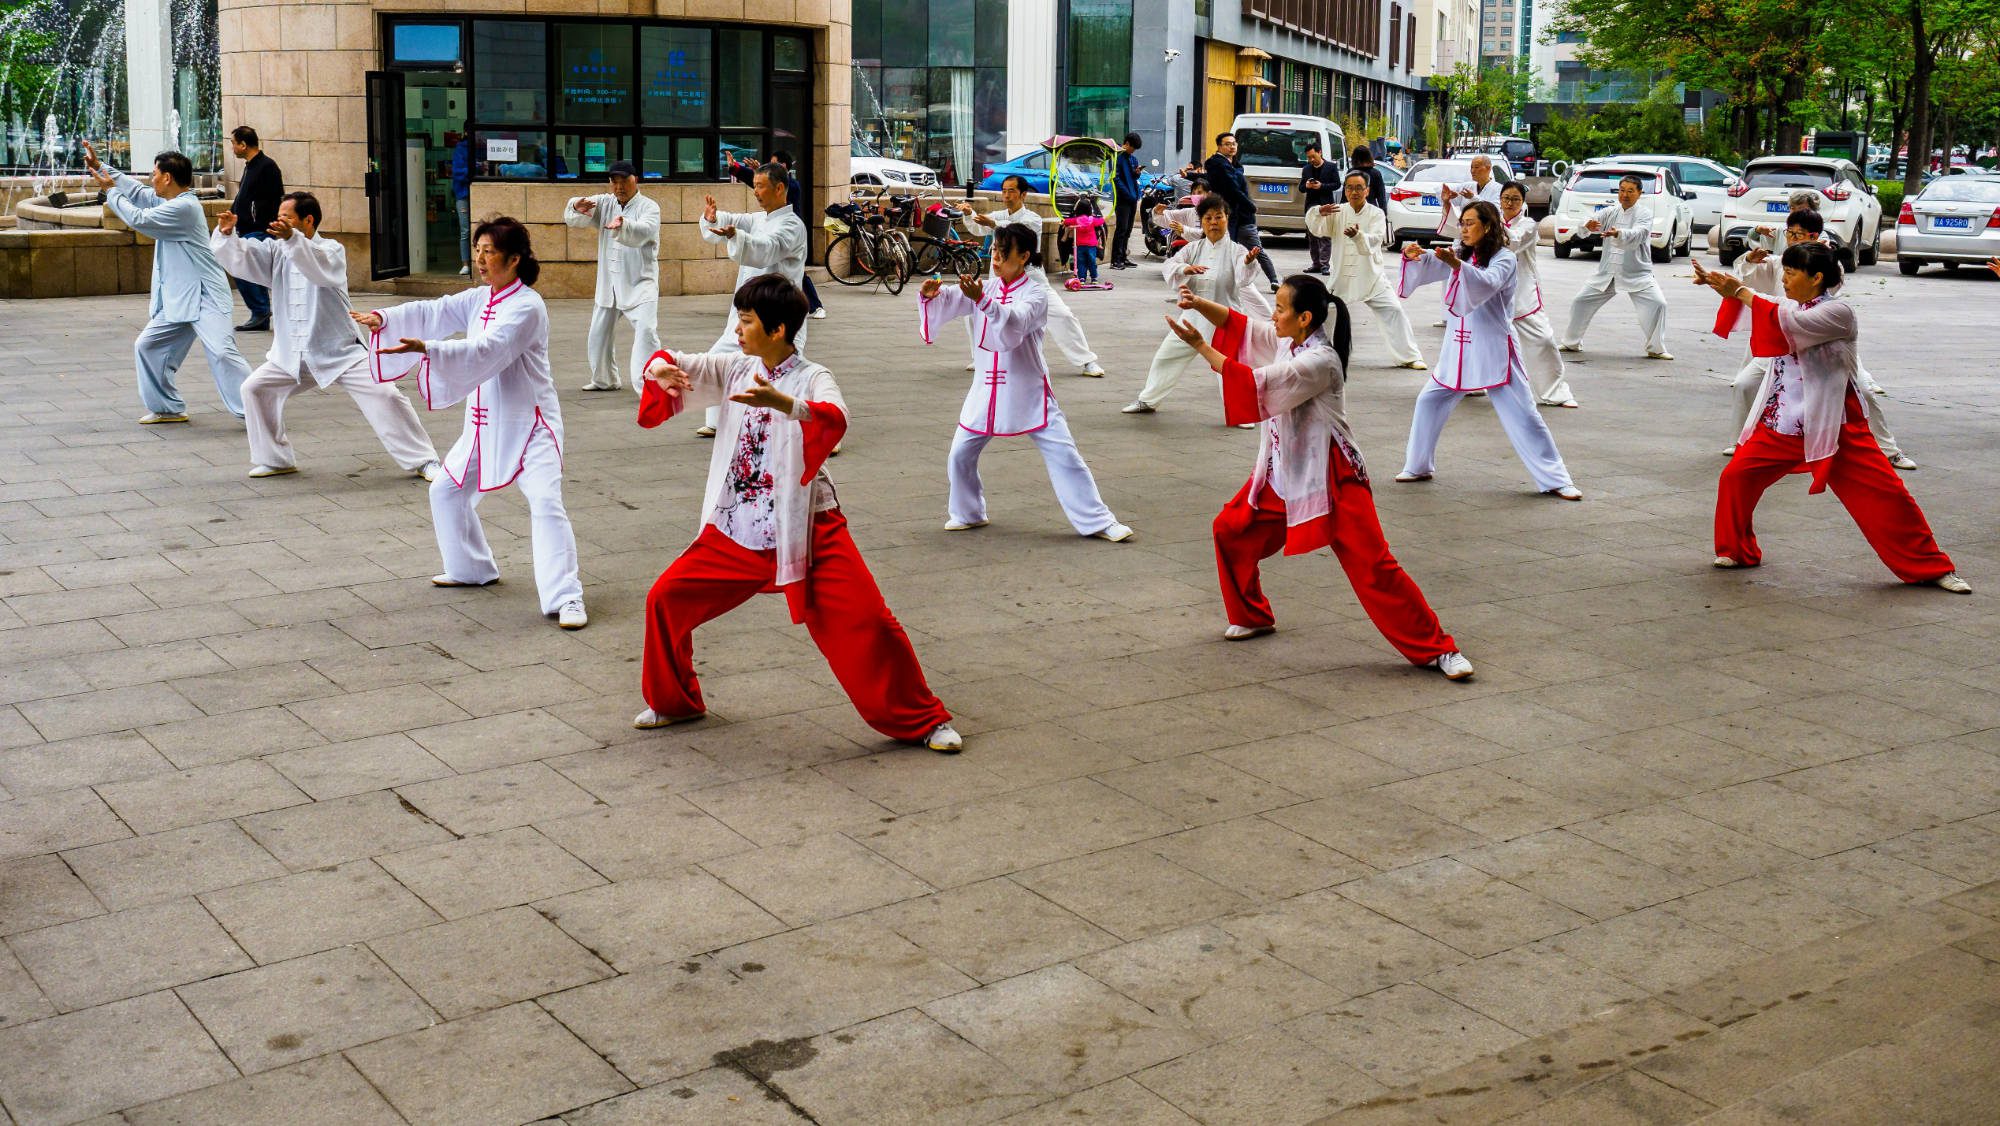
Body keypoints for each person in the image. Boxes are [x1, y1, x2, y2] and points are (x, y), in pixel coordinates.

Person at [634, 276, 962, 750]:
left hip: (808, 528)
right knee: (664, 599)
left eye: (746, 321)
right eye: (739, 318)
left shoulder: (813, 376)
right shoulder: (735, 368)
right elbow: (672, 361)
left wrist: (785, 403)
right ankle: (675, 702)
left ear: (778, 328)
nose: (738, 329)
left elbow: (835, 416)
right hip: (736, 528)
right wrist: (659, 372)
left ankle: (923, 720)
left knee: (870, 621)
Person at [1164, 273, 1474, 680]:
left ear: (1305, 317)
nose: (1272, 315)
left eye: (1280, 308)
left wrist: (1200, 346)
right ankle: (1253, 615)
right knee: (1231, 530)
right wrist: (1201, 306)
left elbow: (1255, 383)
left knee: (1374, 564)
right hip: (1283, 467)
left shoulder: (1319, 361)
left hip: (1333, 475)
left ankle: (1437, 649)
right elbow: (1243, 327)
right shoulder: (1289, 339)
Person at [354, 217, 588, 629]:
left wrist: (430, 348)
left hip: (531, 425)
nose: (480, 259)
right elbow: (437, 309)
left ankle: (566, 597)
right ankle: (472, 568)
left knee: (545, 503)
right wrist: (384, 318)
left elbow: (488, 348)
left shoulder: (527, 306)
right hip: (484, 423)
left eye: (489, 252)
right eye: (477, 249)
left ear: (514, 259)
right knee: (446, 489)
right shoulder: (481, 297)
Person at [1694, 247, 1968, 594]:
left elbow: (1786, 324)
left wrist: (1740, 292)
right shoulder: (1791, 305)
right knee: (1736, 477)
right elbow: (1770, 305)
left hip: (1835, 425)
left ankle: (1931, 567)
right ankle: (1737, 550)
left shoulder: (1839, 312)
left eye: (1791, 273)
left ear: (1817, 278)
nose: (1784, 279)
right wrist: (1727, 285)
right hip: (1784, 422)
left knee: (1887, 495)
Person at [918, 224, 1134, 542]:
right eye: (994, 251)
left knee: (1064, 455)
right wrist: (930, 296)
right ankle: (968, 512)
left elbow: (1014, 322)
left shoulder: (1036, 293)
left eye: (1003, 254)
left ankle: (1098, 520)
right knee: (960, 454)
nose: (996, 259)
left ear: (1024, 257)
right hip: (985, 391)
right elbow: (952, 297)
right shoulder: (986, 288)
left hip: (1027, 389)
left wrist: (982, 301)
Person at [213, 192, 439, 480]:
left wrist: (293, 241)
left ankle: (425, 461)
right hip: (291, 353)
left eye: (287, 218)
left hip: (339, 351)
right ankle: (275, 459)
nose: (279, 223)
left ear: (308, 220)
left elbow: (318, 270)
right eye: (279, 217)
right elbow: (244, 258)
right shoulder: (276, 251)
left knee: (385, 394)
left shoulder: (331, 250)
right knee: (255, 389)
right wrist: (227, 233)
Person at [1394, 201, 1584, 500]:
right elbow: (1433, 262)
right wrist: (1415, 255)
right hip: (1457, 348)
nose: (1464, 228)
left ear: (1488, 226)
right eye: (1463, 222)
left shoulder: (1504, 259)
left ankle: (1556, 478)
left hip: (1494, 347)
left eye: (1471, 223)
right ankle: (1418, 465)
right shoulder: (1462, 253)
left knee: (1523, 414)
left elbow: (1487, 283)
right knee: (1428, 401)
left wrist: (1456, 265)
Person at [1725, 210, 1913, 467]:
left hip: (1827, 351)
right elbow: (1757, 287)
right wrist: (1748, 260)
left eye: (1797, 234)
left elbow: (1807, 300)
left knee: (1865, 392)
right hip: (1786, 346)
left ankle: (1889, 451)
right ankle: (1742, 443)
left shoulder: (1827, 275)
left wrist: (1823, 258)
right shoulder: (1780, 262)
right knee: (1744, 384)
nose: (1786, 278)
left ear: (1813, 236)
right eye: (1788, 233)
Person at [82, 141, 251, 424]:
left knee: (223, 352)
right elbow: (136, 192)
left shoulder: (184, 208)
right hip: (179, 298)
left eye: (154, 174)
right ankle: (168, 408)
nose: (151, 179)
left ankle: (257, 409)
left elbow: (138, 218)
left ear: (167, 178)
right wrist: (101, 167)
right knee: (147, 346)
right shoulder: (169, 200)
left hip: (206, 296)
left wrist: (110, 190)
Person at [1125, 195, 1272, 415]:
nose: (1213, 222)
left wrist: (1248, 263)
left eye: (1218, 217)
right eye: (1208, 218)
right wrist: (1185, 270)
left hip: (1225, 317)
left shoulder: (1237, 250)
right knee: (1166, 356)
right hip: (1192, 317)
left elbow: (1243, 279)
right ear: (1201, 222)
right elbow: (1171, 266)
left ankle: (1242, 412)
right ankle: (1148, 400)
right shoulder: (1193, 249)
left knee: (1229, 367)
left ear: (1226, 219)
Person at [696, 162, 809, 437]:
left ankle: (816, 426)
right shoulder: (759, 218)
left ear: (779, 188)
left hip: (779, 314)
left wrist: (738, 237)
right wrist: (713, 218)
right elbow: (734, 222)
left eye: (760, 186)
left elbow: (766, 249)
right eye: (755, 186)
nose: (756, 192)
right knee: (718, 358)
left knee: (789, 374)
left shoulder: (792, 226)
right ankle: (717, 421)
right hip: (748, 313)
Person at [966, 175, 1106, 377]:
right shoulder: (998, 215)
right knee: (974, 312)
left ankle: (1087, 361)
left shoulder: (1033, 218)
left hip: (1032, 279)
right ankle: (980, 357)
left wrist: (994, 223)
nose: (1006, 195)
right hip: (1001, 280)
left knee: (1063, 315)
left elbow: (1019, 232)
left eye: (1011, 191)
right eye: (1004, 190)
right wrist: (969, 213)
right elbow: (977, 227)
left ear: (1023, 194)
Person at [1306, 171, 1425, 370]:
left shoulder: (1376, 213)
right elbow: (1319, 230)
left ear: (1367, 191)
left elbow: (1375, 239)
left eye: (1359, 188)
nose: (1354, 192)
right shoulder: (1338, 211)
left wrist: (1358, 236)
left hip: (1371, 275)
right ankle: (1315, 352)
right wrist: (1319, 212)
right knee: (1325, 311)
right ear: (1345, 190)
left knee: (1394, 309)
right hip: (1342, 276)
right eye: (1349, 188)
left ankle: (1409, 356)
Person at [563, 160, 661, 393]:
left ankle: (648, 383)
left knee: (646, 331)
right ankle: (605, 379)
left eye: (624, 180)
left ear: (635, 179)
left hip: (640, 282)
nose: (619, 186)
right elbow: (575, 213)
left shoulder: (650, 207)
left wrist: (623, 224)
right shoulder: (606, 202)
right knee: (598, 335)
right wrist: (577, 205)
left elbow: (645, 230)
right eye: (614, 181)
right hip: (609, 282)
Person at [1560, 173, 1671, 359]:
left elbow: (1639, 234)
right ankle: (1571, 342)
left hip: (1637, 274)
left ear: (1639, 193)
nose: (1625, 195)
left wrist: (1618, 233)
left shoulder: (1644, 214)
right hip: (1607, 273)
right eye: (1622, 190)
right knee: (1580, 301)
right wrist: (1588, 225)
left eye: (1630, 191)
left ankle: (1656, 348)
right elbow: (1587, 224)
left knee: (1658, 304)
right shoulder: (1610, 211)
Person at [1499, 181, 1578, 408]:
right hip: (1492, 290)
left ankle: (1556, 392)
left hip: (1523, 292)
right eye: (1506, 198)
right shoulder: (1490, 221)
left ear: (1523, 202)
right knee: (1480, 339)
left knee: (1542, 339)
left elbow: (1512, 242)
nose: (1510, 203)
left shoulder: (1528, 224)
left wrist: (1491, 223)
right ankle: (1473, 383)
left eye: (1515, 199)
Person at [1199, 133, 1280, 290]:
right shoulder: (1218, 164)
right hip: (1228, 214)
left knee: (1255, 248)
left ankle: (1274, 279)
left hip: (1241, 216)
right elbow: (1231, 188)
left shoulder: (1233, 164)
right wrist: (1250, 205)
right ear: (1219, 146)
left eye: (1234, 143)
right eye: (1228, 144)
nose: (1232, 146)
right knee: (1223, 248)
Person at [227, 126, 282, 332]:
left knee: (242, 265)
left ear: (243, 144)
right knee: (242, 267)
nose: (232, 147)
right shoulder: (250, 166)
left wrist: (264, 224)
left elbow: (274, 200)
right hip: (246, 228)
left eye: (233, 143)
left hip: (259, 229)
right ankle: (260, 313)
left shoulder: (267, 166)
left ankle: (260, 311)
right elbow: (244, 196)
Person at [770, 150, 828, 319]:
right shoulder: (778, 183)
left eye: (773, 164)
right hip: (779, 231)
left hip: (791, 234)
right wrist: (736, 169)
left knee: (798, 272)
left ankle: (816, 306)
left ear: (782, 166)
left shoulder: (791, 185)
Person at [1437, 155, 1502, 240]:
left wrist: (1473, 197)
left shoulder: (1498, 188)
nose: (1472, 171)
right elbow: (1450, 202)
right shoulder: (1467, 186)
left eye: (1476, 167)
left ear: (1488, 168)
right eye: (1471, 167)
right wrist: (1447, 198)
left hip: (1486, 235)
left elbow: (1495, 210)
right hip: (1465, 233)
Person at [1299, 143, 1339, 274]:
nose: (1311, 160)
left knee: (1325, 235)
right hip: (1311, 207)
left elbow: (1337, 184)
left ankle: (1324, 265)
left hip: (1326, 205)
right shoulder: (1306, 169)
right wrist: (1306, 185)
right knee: (1312, 236)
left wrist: (1321, 186)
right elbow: (1301, 188)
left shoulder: (1331, 167)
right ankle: (1315, 264)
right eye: (1308, 157)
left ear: (1320, 152)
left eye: (1313, 156)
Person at [1112, 132, 1142, 269]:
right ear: (1127, 143)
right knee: (1121, 229)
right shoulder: (1117, 157)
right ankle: (1115, 260)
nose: (1133, 151)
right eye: (1133, 147)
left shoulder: (1133, 159)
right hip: (1123, 199)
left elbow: (1133, 178)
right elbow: (1116, 179)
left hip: (1132, 197)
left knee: (1128, 229)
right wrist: (1127, 193)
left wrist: (1137, 173)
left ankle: (1123, 257)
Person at [1063, 194, 1107, 284]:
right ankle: (1094, 278)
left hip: (1079, 245)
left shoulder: (1076, 219)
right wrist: (1104, 218)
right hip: (1091, 245)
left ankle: (1082, 278)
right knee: (1092, 262)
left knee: (1081, 262)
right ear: (1089, 209)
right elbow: (1101, 221)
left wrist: (1063, 222)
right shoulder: (1092, 220)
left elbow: (1067, 221)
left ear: (1078, 209)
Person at [450, 133, 472, 276]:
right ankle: (465, 263)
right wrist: (476, 169)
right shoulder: (461, 148)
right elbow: (457, 172)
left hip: (476, 193)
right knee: (465, 230)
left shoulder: (481, 147)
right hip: (463, 194)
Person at [1351, 145, 1388, 214]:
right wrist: (1384, 214)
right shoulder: (1375, 173)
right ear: (1369, 157)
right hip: (1371, 210)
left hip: (1353, 209)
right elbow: (1381, 197)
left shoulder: (1351, 172)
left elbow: (1344, 196)